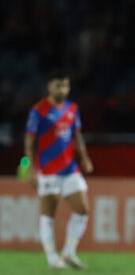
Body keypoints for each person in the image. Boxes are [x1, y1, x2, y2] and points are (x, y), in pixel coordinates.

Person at [25, 70, 93, 270]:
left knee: (83, 210)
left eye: (66, 86)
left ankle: (69, 251)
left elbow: (77, 135)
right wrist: (30, 170)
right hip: (47, 171)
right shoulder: (39, 111)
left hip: (70, 169)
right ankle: (52, 257)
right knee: (48, 215)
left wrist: (85, 157)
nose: (62, 90)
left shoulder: (72, 108)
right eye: (58, 86)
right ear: (49, 87)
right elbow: (30, 141)